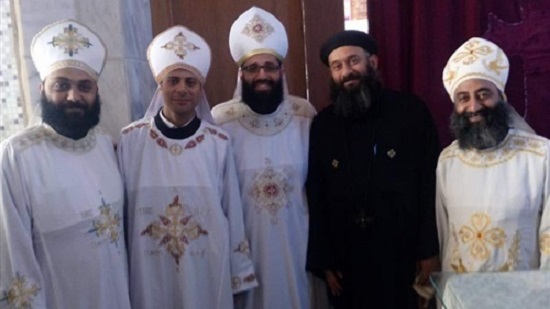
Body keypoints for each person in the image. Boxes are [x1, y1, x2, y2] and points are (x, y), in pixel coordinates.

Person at [117, 25, 257, 309]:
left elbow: (233, 211)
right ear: (161, 86)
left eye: (190, 82)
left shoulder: (217, 142)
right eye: (173, 81)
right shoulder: (131, 140)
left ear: (200, 89)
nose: (182, 89)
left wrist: (238, 275)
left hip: (206, 273)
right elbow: (121, 216)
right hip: (148, 274)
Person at [306, 30, 441, 309]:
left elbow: (431, 183)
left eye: (353, 61)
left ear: (373, 63)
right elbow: (316, 194)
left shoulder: (411, 112)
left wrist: (429, 249)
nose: (347, 72)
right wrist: (325, 260)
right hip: (347, 261)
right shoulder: (323, 125)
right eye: (337, 66)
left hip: (402, 256)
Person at [0, 19, 130, 308]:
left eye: (84, 86)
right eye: (62, 85)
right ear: (42, 89)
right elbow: (12, 258)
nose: (74, 96)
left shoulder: (103, 144)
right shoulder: (16, 155)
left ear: (97, 92)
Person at [211, 6, 317, 309]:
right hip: (246, 252)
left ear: (281, 70)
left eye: (270, 66)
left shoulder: (304, 116)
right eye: (252, 68)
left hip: (297, 247)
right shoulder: (220, 122)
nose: (262, 75)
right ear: (240, 73)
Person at [437, 37, 550, 273]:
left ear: (502, 98)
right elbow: (445, 238)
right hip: (463, 297)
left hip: (524, 299)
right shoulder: (448, 161)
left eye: (483, 94)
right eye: (463, 98)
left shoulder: (541, 156)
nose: (474, 107)